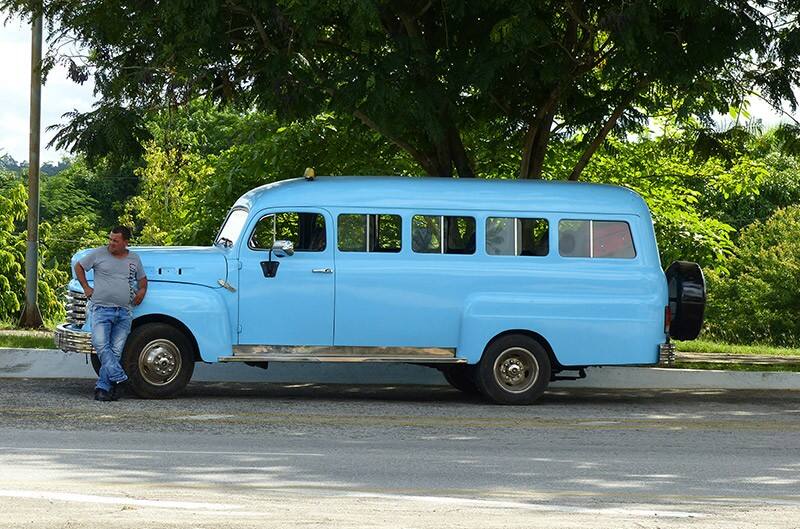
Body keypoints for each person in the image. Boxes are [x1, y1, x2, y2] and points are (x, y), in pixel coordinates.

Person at [75, 226, 148, 401]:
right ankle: (120, 378)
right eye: (110, 239)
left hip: (124, 312)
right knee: (100, 345)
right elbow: (79, 267)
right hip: (101, 309)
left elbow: (142, 279)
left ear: (125, 242)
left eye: (115, 240)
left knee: (115, 352)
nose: (111, 243)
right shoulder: (99, 254)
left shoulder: (134, 258)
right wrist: (86, 287)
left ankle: (103, 388)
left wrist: (142, 291)